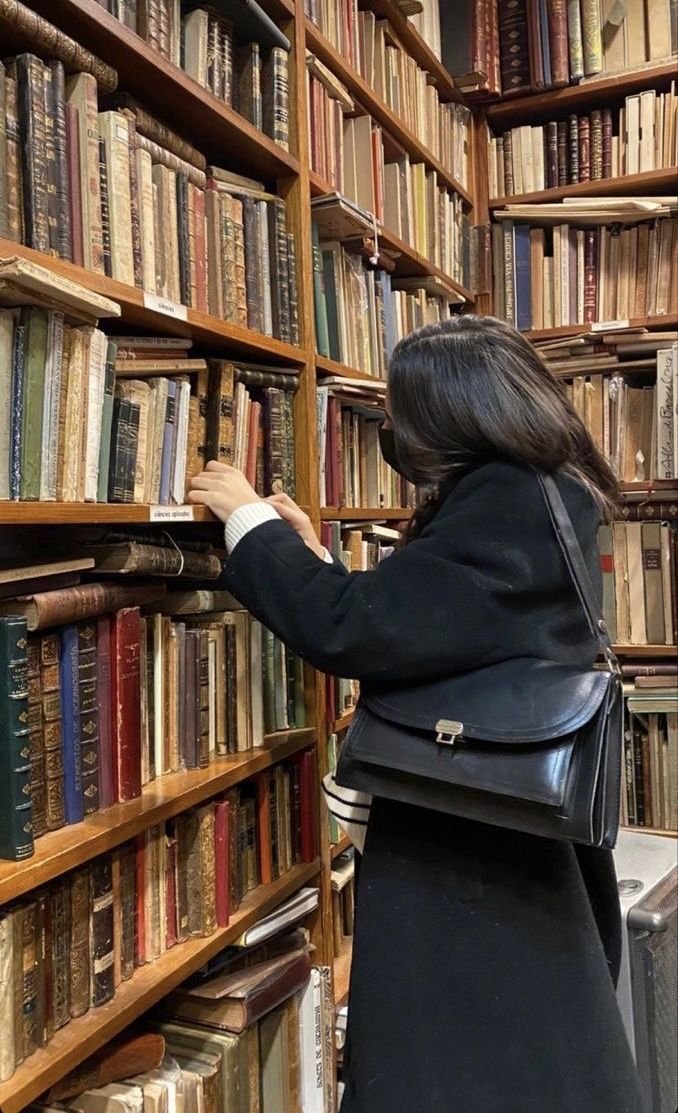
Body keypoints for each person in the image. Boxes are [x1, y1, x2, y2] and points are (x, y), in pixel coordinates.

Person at [188, 315, 643, 1113]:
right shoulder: (539, 491)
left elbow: (355, 628)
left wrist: (246, 521)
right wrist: (316, 561)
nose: (392, 433)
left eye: (399, 414)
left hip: (475, 860)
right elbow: (433, 630)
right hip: (501, 835)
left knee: (464, 1071)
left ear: (452, 411)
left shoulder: (509, 500)